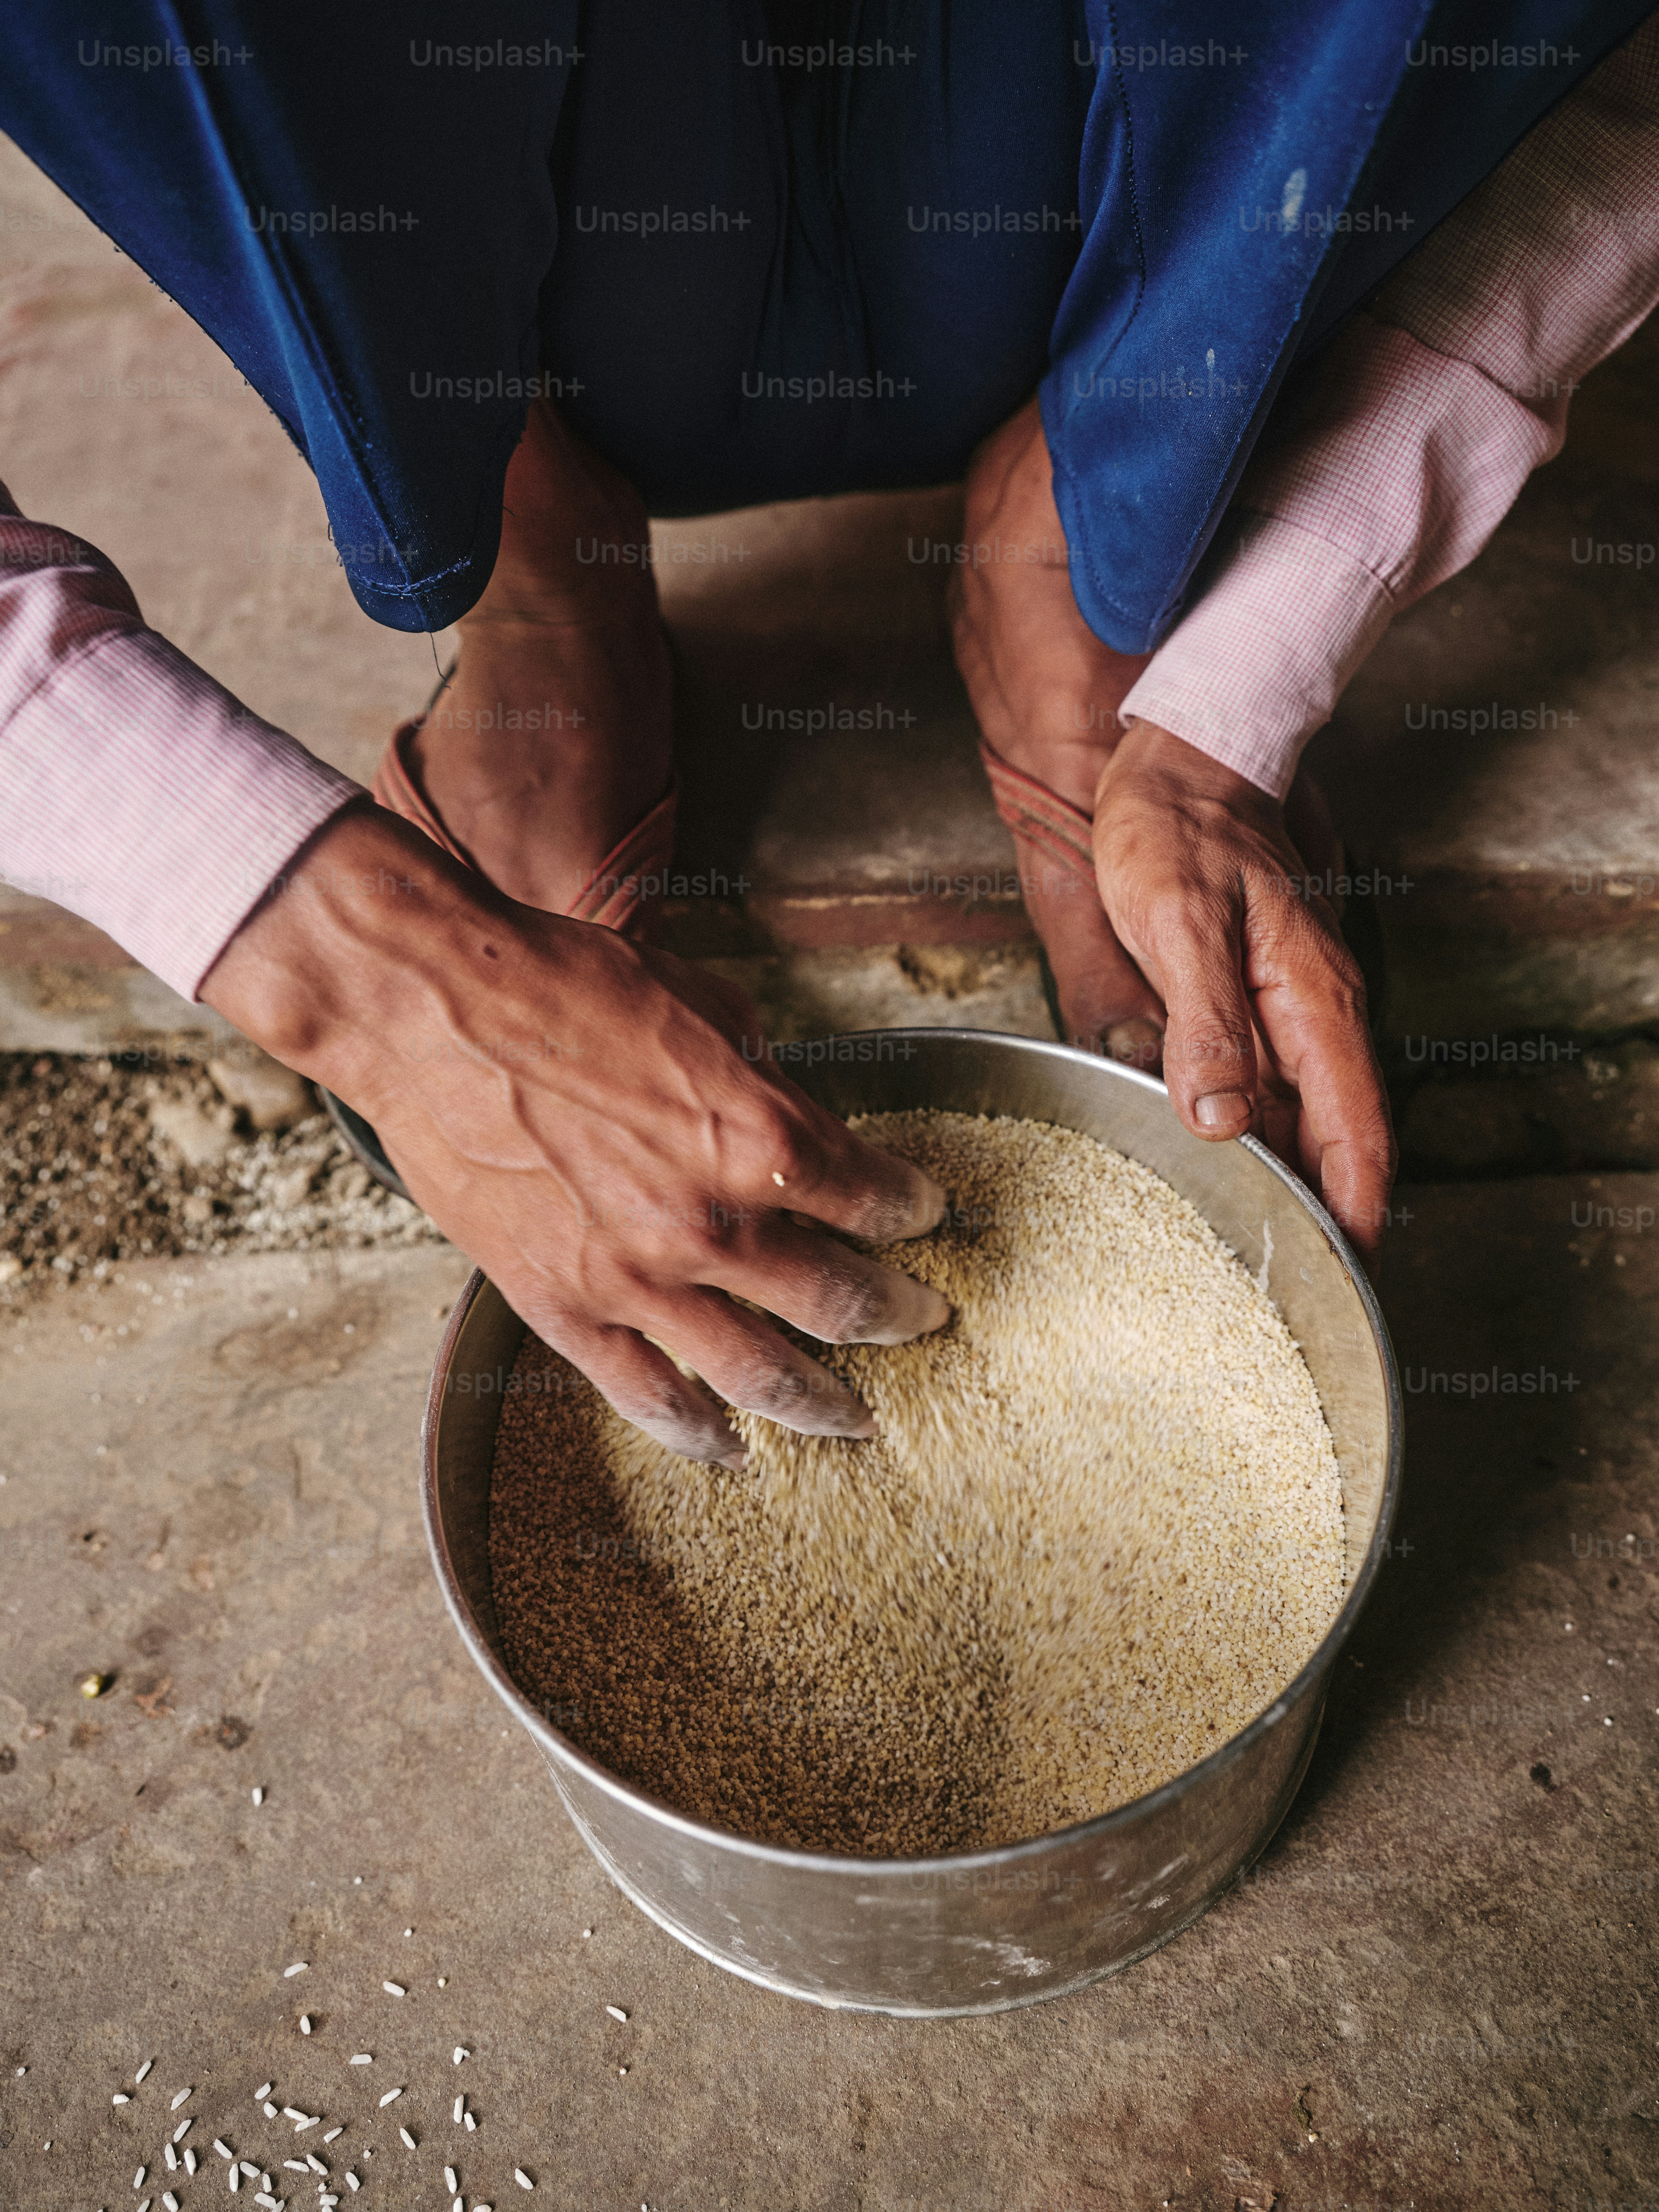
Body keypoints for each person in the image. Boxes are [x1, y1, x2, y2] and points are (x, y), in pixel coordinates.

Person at [2, 6, 1655, 1464]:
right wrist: (371, 972)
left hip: (1107, 156)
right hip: (514, 189)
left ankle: (1089, 524)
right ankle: (523, 537)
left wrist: (1238, 675)